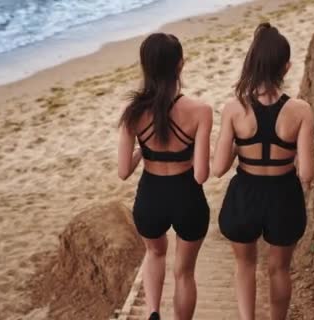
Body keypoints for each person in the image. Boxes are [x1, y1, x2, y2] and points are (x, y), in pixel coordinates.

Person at [212, 22, 314, 320]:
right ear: (286, 66)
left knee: (245, 266)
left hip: (245, 194)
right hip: (284, 194)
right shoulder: (300, 111)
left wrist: (237, 148)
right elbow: (307, 174)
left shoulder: (234, 108)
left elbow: (218, 168)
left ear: (252, 64)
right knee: (279, 269)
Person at [118, 33, 213, 320]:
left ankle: (153, 312)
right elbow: (201, 174)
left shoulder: (133, 113)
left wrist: (144, 152)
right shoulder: (201, 111)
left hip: (151, 197)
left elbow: (123, 172)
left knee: (155, 253)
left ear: (145, 66)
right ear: (180, 65)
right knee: (184, 272)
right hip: (187, 197)